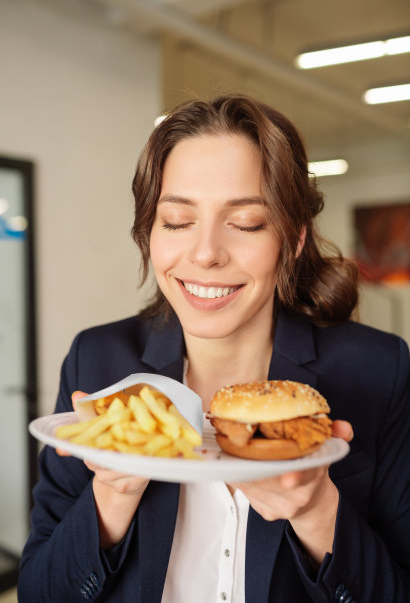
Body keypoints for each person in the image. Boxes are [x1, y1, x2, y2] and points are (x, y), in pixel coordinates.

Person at [18, 94, 410, 602]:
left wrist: (317, 514)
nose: (205, 254)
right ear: (149, 233)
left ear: (292, 240)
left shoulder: (380, 369)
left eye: (246, 224)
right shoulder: (97, 362)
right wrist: (111, 496)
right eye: (177, 221)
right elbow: (39, 593)